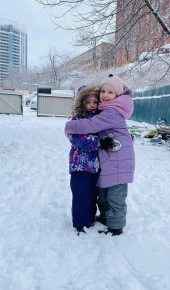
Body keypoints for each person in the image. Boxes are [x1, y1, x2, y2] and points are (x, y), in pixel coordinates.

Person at [65, 74, 135, 236]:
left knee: (115, 196)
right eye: (103, 91)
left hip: (117, 161)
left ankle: (116, 227)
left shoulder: (111, 112)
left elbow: (92, 125)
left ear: (117, 95)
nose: (105, 95)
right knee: (102, 194)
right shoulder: (105, 111)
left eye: (110, 92)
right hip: (105, 162)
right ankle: (104, 218)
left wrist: (69, 126)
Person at [67, 86, 101, 235]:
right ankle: (80, 223)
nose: (92, 105)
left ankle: (91, 218)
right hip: (79, 165)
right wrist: (98, 142)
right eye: (88, 102)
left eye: (95, 101)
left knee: (93, 194)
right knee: (81, 194)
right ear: (81, 102)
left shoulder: (100, 119)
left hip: (94, 165)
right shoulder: (77, 118)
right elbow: (74, 137)